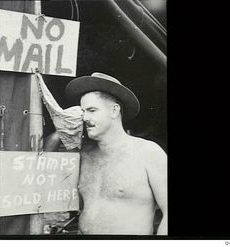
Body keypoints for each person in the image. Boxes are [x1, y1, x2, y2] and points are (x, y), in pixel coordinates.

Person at [44, 72, 167, 235]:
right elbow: (42, 172)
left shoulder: (148, 153)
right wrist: (60, 132)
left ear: (114, 110)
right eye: (82, 112)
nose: (85, 118)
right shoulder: (82, 156)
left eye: (92, 110)